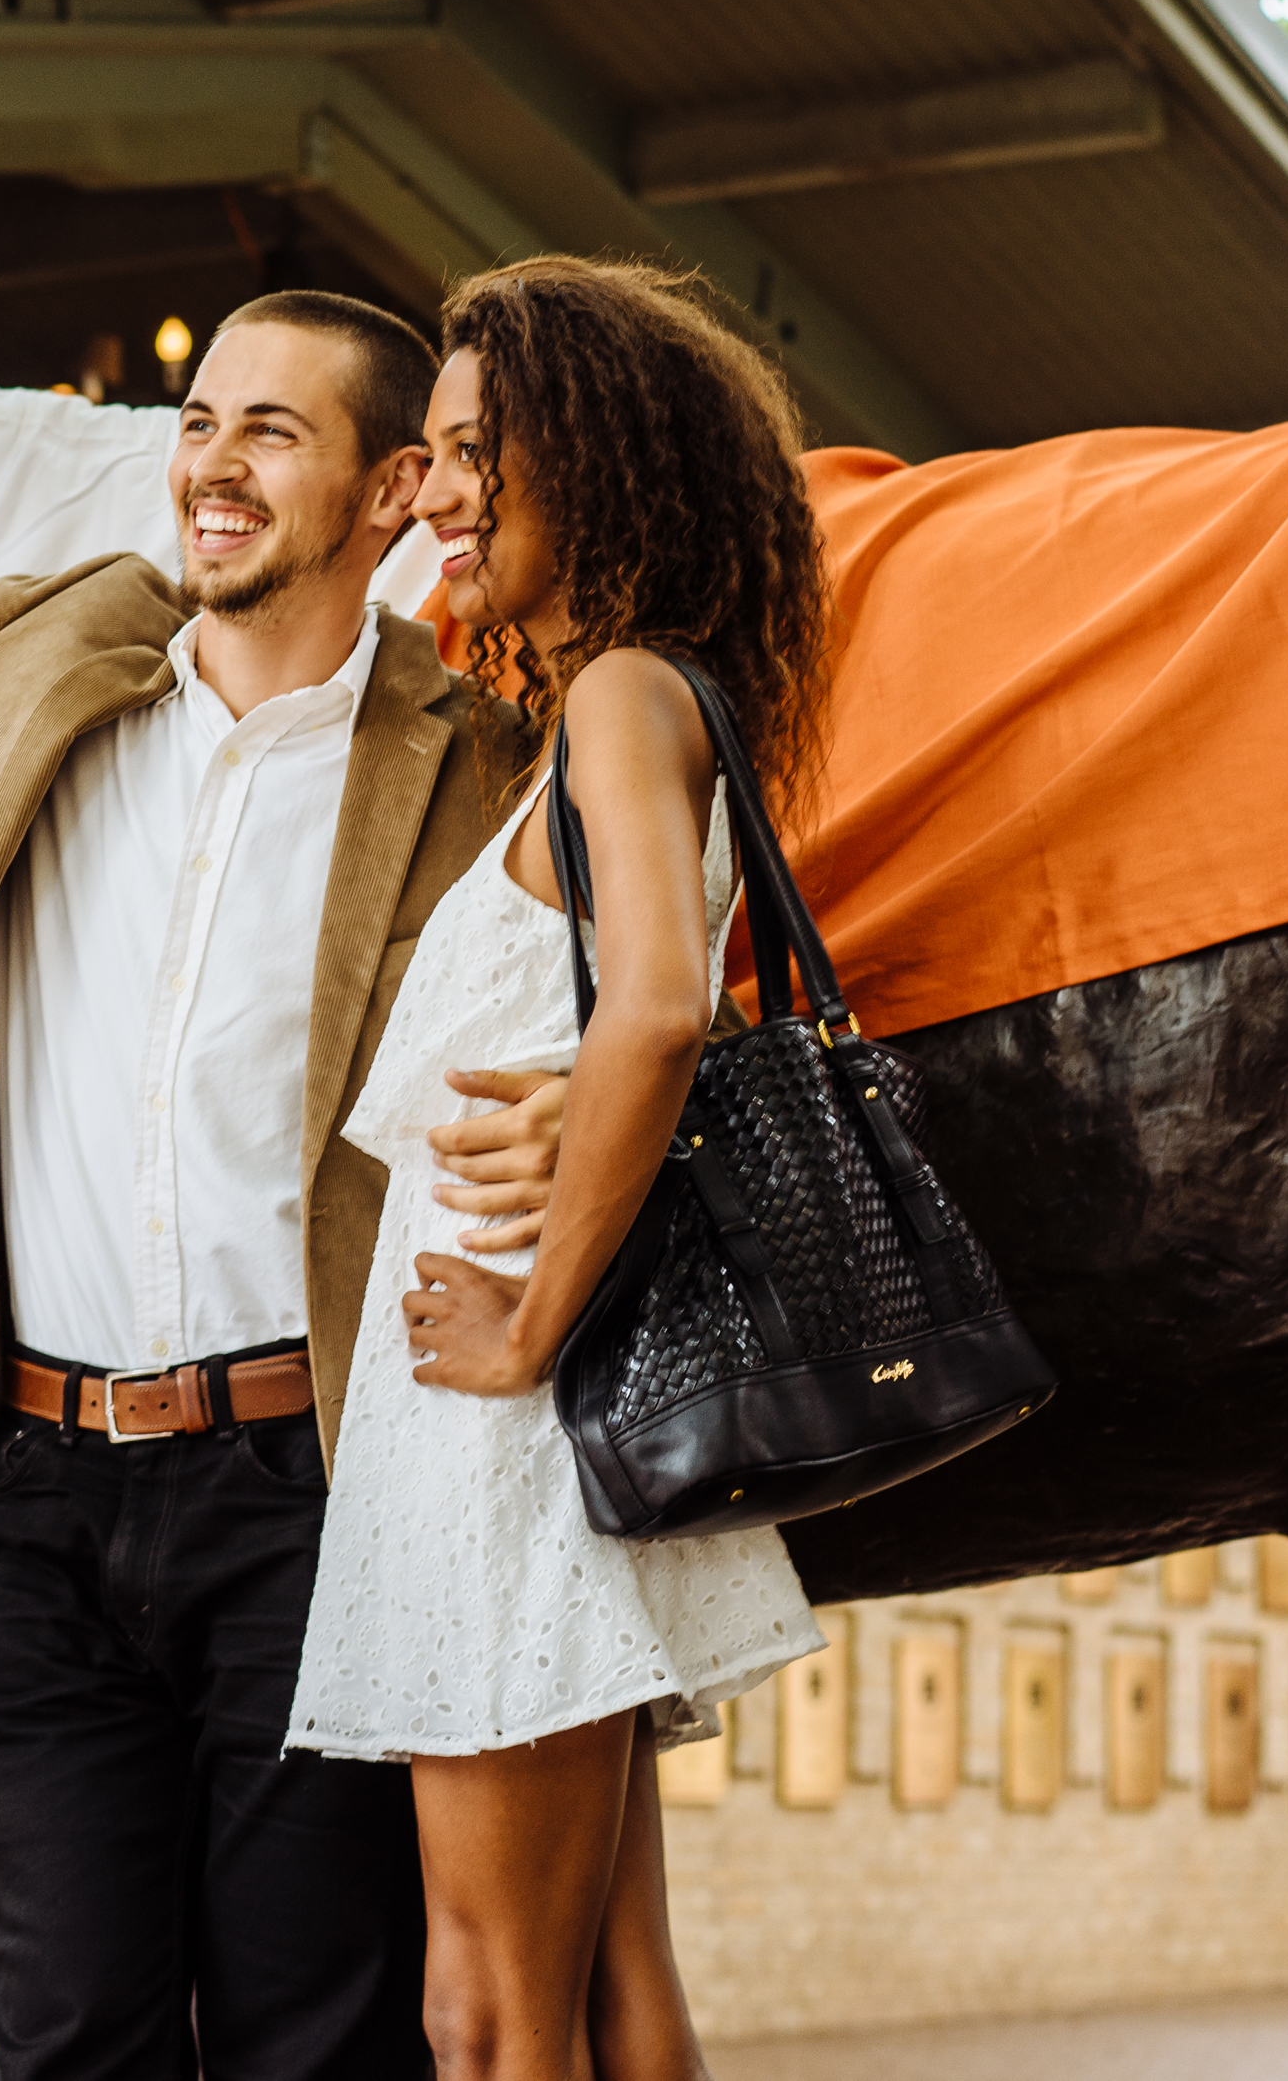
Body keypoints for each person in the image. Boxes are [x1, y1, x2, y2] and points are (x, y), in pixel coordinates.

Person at [0, 84, 576, 2081]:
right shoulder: (30, 664)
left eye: (273, 434)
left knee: (314, 2042)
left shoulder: (482, 758)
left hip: (311, 1489)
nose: (213, 469)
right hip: (43, 1494)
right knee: (62, 2037)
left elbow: (643, 958)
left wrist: (578, 1118)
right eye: (200, 421)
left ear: (396, 488)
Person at [286, 259, 836, 2081]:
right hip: (528, 1419)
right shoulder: (635, 710)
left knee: (486, 2009)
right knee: (608, 2001)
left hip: (517, 1425)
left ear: (588, 463)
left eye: (468, 453)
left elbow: (661, 1011)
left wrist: (523, 1331)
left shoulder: (617, 703)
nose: (433, 493)